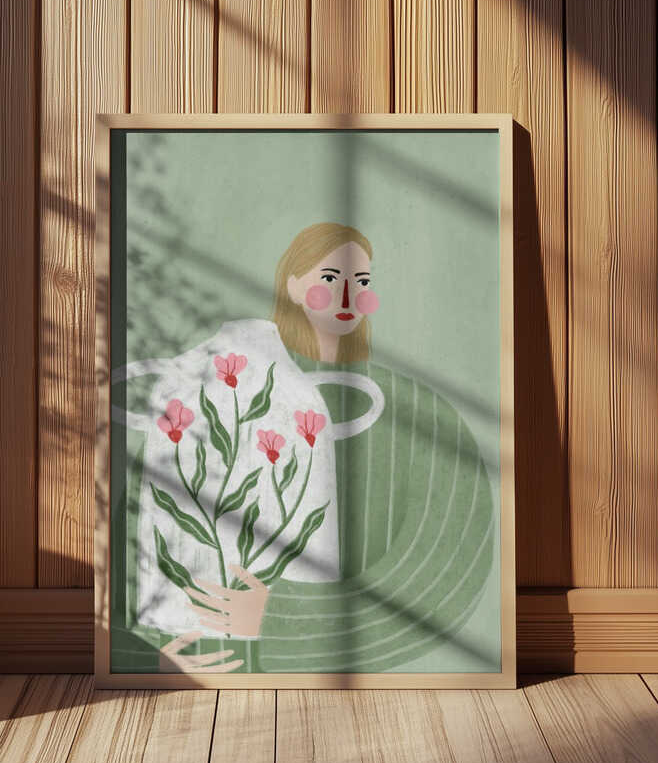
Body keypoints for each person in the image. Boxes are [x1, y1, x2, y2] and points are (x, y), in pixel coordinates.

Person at [156, 223, 494, 674]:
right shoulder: (220, 397)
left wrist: (277, 618)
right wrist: (160, 641)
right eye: (331, 278)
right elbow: (160, 521)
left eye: (362, 281)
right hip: (208, 653)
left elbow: (444, 564)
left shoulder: (420, 411)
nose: (349, 295)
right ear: (293, 285)